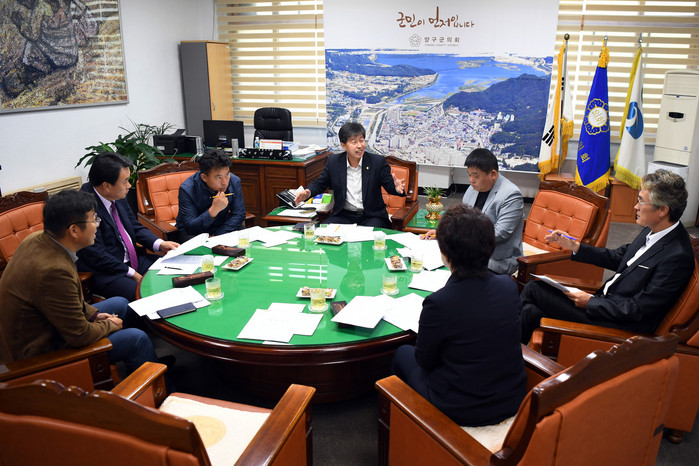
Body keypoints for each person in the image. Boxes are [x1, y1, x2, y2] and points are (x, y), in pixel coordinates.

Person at [520, 169, 695, 344]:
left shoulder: (677, 256)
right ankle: (511, 355)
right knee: (530, 312)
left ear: (663, 210)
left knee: (534, 289)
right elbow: (619, 257)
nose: (635, 206)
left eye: (641, 201)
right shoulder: (653, 229)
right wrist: (574, 246)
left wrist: (590, 302)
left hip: (618, 325)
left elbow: (639, 309)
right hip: (605, 305)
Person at [393, 204, 527, 427]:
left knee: (402, 353)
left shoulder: (440, 303)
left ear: (445, 254)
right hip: (512, 397)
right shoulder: (508, 286)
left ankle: (403, 427)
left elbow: (425, 361)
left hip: (463, 408)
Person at [0, 190, 160, 376]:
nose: (97, 226)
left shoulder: (36, 240)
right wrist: (110, 325)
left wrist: (94, 315)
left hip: (48, 326)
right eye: (94, 220)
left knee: (120, 303)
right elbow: (79, 335)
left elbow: (62, 303)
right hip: (38, 353)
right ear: (74, 230)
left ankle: (144, 363)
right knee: (136, 338)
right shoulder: (54, 271)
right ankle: (157, 384)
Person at [77, 152, 179, 300]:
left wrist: (160, 244)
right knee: (148, 295)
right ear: (106, 186)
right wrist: (133, 274)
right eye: (125, 181)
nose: (129, 186)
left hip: (134, 260)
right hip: (108, 272)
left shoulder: (116, 194)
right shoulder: (83, 207)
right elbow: (97, 255)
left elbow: (133, 225)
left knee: (177, 271)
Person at [422, 148, 523, 274]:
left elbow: (500, 233)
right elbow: (462, 220)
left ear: (493, 174)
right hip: (471, 252)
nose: (471, 180)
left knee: (452, 274)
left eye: (476, 176)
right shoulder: (472, 189)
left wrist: (457, 238)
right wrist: (444, 234)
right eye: (469, 174)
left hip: (497, 260)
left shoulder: (511, 194)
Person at [294, 122, 405, 228]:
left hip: (371, 216)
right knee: (325, 232)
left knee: (368, 237)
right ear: (343, 146)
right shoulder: (334, 162)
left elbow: (390, 186)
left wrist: (396, 188)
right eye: (354, 142)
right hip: (344, 216)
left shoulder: (377, 162)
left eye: (361, 140)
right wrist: (307, 192)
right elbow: (320, 183)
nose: (359, 146)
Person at [176, 149, 246, 237]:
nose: (225, 182)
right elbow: (190, 227)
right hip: (194, 232)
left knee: (245, 236)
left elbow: (239, 214)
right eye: (218, 177)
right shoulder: (187, 189)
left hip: (222, 227)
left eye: (227, 174)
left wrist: (217, 235)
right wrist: (213, 211)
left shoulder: (234, 181)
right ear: (204, 177)